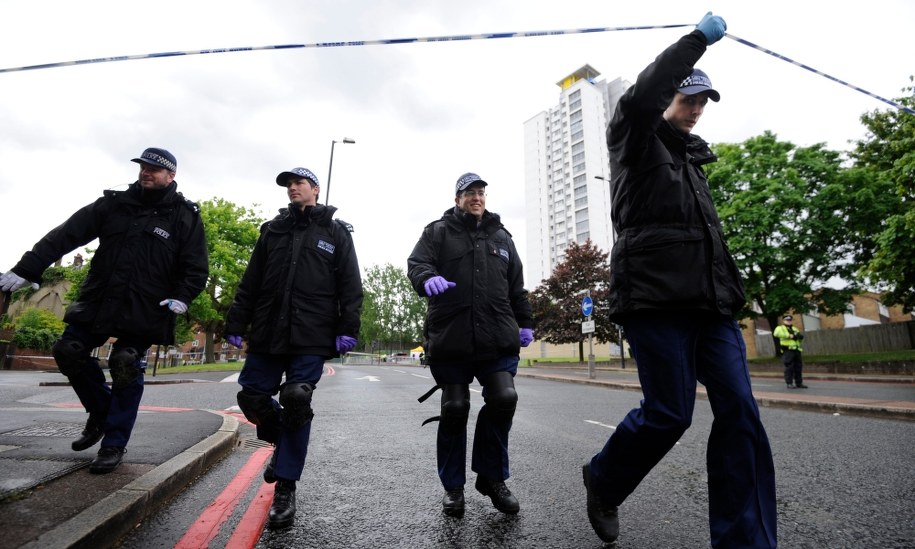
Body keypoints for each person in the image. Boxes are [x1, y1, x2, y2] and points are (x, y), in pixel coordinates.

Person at [581, 13, 777, 548]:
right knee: (669, 414)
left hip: (711, 306)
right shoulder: (634, 141)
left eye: (703, 102)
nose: (696, 109)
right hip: (655, 301)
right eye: (689, 98)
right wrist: (695, 42)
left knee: (741, 411)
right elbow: (642, 97)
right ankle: (604, 479)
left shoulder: (694, 161)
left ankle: (745, 542)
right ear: (669, 97)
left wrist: (729, 292)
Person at [0, 147, 208, 473]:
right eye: (143, 166)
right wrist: (27, 268)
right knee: (68, 350)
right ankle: (100, 412)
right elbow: (65, 235)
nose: (146, 172)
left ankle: (113, 443)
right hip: (100, 299)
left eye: (154, 169)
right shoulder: (114, 204)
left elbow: (196, 267)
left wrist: (182, 297)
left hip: (145, 306)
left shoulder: (185, 216)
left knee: (125, 362)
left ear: (171, 175)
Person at [224, 166, 363, 529]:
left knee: (297, 398)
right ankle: (284, 444)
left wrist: (348, 328)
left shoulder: (335, 232)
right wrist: (236, 322)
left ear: (315, 188)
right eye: (288, 184)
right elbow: (251, 281)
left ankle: (285, 486)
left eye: (298, 182)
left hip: (312, 333)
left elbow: (351, 286)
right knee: (252, 398)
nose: (292, 188)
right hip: (268, 330)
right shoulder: (272, 230)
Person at [407, 172, 534, 517]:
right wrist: (426, 278)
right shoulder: (437, 232)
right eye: (469, 193)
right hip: (452, 335)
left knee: (504, 398)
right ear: (457, 199)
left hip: (496, 336)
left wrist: (526, 323)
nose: (476, 197)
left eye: (481, 192)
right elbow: (417, 264)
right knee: (455, 407)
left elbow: (516, 287)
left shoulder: (502, 237)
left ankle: (492, 478)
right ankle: (453, 487)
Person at [774, 314, 807, 388]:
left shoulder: (795, 328)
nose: (788, 321)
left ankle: (799, 383)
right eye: (787, 320)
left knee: (798, 367)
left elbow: (798, 338)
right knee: (789, 367)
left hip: (796, 350)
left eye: (790, 320)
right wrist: (789, 335)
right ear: (783, 320)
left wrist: (799, 337)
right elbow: (776, 334)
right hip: (788, 350)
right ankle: (789, 383)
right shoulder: (780, 328)